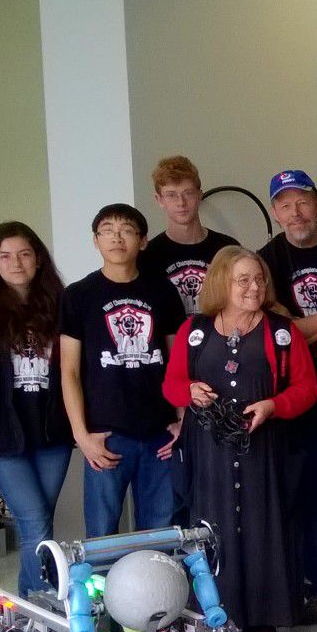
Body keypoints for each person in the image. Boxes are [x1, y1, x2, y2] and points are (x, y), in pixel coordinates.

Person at [161, 247, 317, 632]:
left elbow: (307, 389)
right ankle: (216, 610)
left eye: (259, 279)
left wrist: (273, 405)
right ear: (221, 283)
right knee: (214, 526)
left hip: (263, 448)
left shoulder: (282, 332)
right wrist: (189, 390)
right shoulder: (194, 331)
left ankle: (262, 615)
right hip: (209, 449)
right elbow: (171, 383)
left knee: (263, 524)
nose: (254, 287)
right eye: (243, 280)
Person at [257, 169, 317, 624]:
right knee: (305, 498)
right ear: (275, 211)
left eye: (303, 201)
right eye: (285, 204)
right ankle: (316, 588)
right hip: (294, 395)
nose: (295, 212)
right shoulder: (265, 261)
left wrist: (301, 329)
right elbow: (275, 332)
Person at [0, 222, 73, 599]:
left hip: (52, 432)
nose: (16, 263)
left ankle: (30, 611)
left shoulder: (61, 305)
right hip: (1, 437)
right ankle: (43, 610)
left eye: (24, 254)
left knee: (38, 526)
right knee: (35, 522)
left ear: (38, 259)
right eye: (5, 256)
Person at [60, 202, 183, 537]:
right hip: (105, 435)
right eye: (107, 230)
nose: (117, 238)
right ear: (96, 240)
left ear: (142, 241)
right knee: (101, 531)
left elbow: (176, 362)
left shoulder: (162, 291)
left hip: (159, 431)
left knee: (159, 529)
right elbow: (68, 371)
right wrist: (81, 435)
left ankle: (159, 592)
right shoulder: (78, 295)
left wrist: (182, 418)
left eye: (127, 230)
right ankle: (102, 592)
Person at [139, 155, 239, 315]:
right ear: (159, 199)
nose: (181, 202)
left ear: (200, 195)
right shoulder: (148, 256)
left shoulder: (228, 248)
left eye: (188, 193)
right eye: (171, 195)